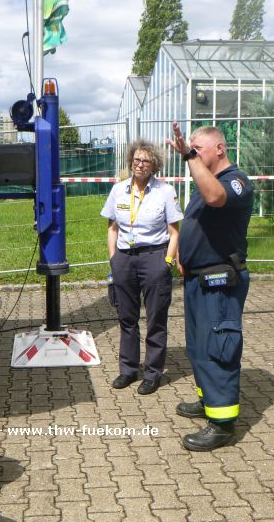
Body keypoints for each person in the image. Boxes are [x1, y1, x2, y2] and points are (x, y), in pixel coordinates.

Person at [167, 123, 253, 451]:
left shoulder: (237, 180)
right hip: (197, 279)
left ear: (219, 149)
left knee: (219, 348)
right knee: (199, 348)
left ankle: (222, 425)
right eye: (191, 148)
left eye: (198, 148)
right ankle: (208, 403)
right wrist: (185, 256)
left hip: (220, 282)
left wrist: (188, 156)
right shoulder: (208, 180)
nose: (192, 153)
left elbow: (216, 197)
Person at [101, 140, 182, 395]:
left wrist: (167, 262)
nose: (140, 164)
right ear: (130, 161)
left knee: (156, 319)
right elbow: (112, 227)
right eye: (136, 159)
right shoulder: (118, 190)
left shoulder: (165, 192)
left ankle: (152, 373)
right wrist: (114, 258)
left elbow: (174, 231)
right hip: (124, 259)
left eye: (146, 160)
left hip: (154, 258)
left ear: (154, 165)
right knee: (127, 317)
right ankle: (128, 370)